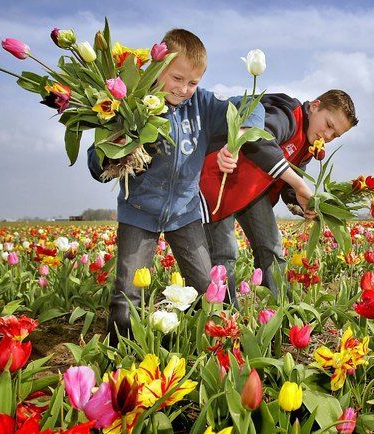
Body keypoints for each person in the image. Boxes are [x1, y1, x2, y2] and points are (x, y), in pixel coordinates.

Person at [87, 28, 264, 344]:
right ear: (158, 67)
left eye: (193, 82)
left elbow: (252, 106)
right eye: (177, 78)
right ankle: (117, 358)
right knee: (127, 294)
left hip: (185, 213)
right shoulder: (129, 104)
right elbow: (95, 161)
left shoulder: (204, 106)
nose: (184, 89)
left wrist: (237, 140)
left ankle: (213, 347)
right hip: (138, 213)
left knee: (206, 288)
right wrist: (116, 153)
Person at [200, 90, 358, 302]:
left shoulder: (309, 144)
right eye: (329, 125)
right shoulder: (288, 114)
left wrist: (303, 204)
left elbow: (288, 185)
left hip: (252, 193)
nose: (328, 136)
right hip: (218, 181)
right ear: (314, 106)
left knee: (271, 247)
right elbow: (256, 139)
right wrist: (299, 183)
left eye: (336, 135)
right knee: (225, 254)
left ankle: (277, 307)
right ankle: (224, 316)